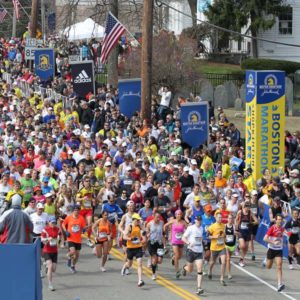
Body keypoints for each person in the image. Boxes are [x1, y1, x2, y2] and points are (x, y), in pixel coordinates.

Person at [181, 215, 205, 295]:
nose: (199, 221)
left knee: (200, 269)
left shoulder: (202, 228)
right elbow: (183, 238)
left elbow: (200, 238)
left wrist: (203, 241)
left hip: (199, 251)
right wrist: (188, 243)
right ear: (195, 220)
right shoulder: (190, 228)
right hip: (191, 251)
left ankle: (199, 288)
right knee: (190, 270)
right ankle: (184, 268)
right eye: (197, 220)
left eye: (200, 220)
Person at [121, 213, 146, 287]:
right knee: (130, 264)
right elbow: (124, 237)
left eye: (139, 220)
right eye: (137, 220)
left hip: (138, 247)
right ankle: (125, 266)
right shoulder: (129, 227)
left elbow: (144, 235)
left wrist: (143, 240)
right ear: (133, 220)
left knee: (140, 263)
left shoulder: (140, 226)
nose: (138, 221)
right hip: (130, 248)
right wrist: (131, 239)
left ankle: (140, 280)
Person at [263, 214, 286, 292]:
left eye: (281, 219)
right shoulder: (272, 228)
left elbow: (284, 235)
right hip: (271, 249)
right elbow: (265, 238)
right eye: (278, 219)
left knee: (279, 266)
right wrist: (273, 242)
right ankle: (265, 260)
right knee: (268, 266)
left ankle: (280, 284)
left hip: (279, 250)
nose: (280, 221)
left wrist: (284, 242)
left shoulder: (282, 229)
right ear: (276, 220)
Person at [62, 204, 87, 274]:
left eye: (78, 210)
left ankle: (73, 266)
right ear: (73, 210)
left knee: (77, 255)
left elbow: (83, 227)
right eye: (75, 210)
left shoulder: (81, 218)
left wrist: (84, 229)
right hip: (70, 238)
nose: (76, 211)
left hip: (78, 239)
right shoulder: (69, 217)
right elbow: (63, 224)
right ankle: (68, 257)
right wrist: (66, 231)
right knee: (72, 252)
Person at [164, 209, 186, 278]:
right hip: (174, 241)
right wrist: (165, 233)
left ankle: (173, 258)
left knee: (179, 256)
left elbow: (188, 229)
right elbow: (165, 225)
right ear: (175, 215)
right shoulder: (173, 221)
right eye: (177, 214)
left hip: (181, 241)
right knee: (177, 255)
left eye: (180, 214)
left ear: (181, 215)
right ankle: (177, 271)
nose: (179, 215)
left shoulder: (183, 222)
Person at [235, 201, 258, 267]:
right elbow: (236, 220)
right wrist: (236, 228)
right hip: (241, 231)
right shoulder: (240, 212)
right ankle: (238, 247)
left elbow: (257, 221)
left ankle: (241, 260)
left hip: (248, 232)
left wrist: (252, 223)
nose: (247, 208)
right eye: (246, 207)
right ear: (244, 206)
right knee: (243, 246)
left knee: (246, 248)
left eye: (248, 207)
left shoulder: (250, 213)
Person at [41, 216, 61, 291]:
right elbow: (42, 239)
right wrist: (47, 239)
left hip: (54, 251)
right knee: (50, 266)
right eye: (52, 222)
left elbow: (60, 236)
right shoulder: (45, 230)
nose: (53, 224)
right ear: (49, 222)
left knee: (54, 269)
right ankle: (50, 284)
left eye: (54, 222)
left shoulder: (57, 229)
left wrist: (59, 241)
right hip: (47, 251)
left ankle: (46, 265)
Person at [207, 212, 227, 286]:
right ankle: (209, 270)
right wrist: (215, 237)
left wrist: (225, 237)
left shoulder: (223, 226)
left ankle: (222, 278)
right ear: (215, 218)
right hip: (214, 247)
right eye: (219, 217)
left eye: (221, 217)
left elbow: (224, 235)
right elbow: (208, 236)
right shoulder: (212, 226)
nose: (220, 219)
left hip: (222, 247)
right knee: (212, 262)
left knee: (223, 262)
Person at [76, 175, 95, 247]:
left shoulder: (92, 189)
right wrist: (82, 198)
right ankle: (77, 238)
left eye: (89, 181)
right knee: (80, 225)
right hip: (82, 209)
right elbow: (77, 199)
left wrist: (93, 200)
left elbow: (93, 198)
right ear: (83, 182)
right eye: (86, 181)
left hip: (89, 209)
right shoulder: (81, 190)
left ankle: (88, 239)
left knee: (89, 224)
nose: (88, 182)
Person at [146, 212, 165, 280]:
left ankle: (154, 264)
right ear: (153, 217)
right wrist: (147, 235)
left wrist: (164, 245)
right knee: (154, 259)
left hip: (159, 243)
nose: (158, 219)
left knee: (159, 261)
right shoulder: (150, 224)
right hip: (152, 243)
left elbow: (163, 234)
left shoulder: (162, 223)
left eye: (159, 217)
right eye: (157, 217)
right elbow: (146, 232)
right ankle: (154, 274)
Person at [225, 214, 236, 280]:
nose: (230, 220)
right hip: (226, 245)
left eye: (232, 218)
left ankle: (225, 263)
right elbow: (223, 235)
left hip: (232, 245)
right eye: (229, 218)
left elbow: (236, 235)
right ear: (227, 219)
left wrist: (236, 233)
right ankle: (229, 273)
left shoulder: (234, 226)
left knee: (228, 258)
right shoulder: (225, 226)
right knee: (228, 259)